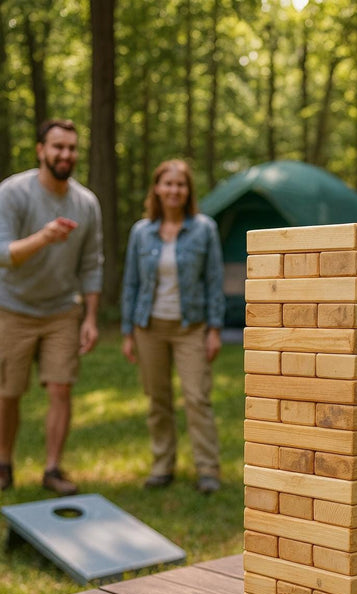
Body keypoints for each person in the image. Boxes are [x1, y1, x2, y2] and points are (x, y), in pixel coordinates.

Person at [0, 118, 104, 495]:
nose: (66, 154)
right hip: (12, 307)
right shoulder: (12, 193)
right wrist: (43, 237)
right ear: (41, 150)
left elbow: (92, 262)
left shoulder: (86, 202)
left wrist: (91, 317)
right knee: (8, 391)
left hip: (63, 310)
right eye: (58, 147)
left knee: (61, 387)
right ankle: (3, 463)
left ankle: (52, 469)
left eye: (72, 148)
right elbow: (2, 253)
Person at [121, 159, 225, 494]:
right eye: (167, 183)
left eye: (180, 185)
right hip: (148, 327)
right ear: (156, 188)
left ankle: (208, 469)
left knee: (197, 397)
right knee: (157, 399)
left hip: (190, 327)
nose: (174, 190)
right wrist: (127, 332)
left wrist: (214, 329)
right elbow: (131, 283)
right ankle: (162, 465)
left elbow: (214, 281)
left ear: (188, 191)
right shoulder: (141, 232)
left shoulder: (204, 229)